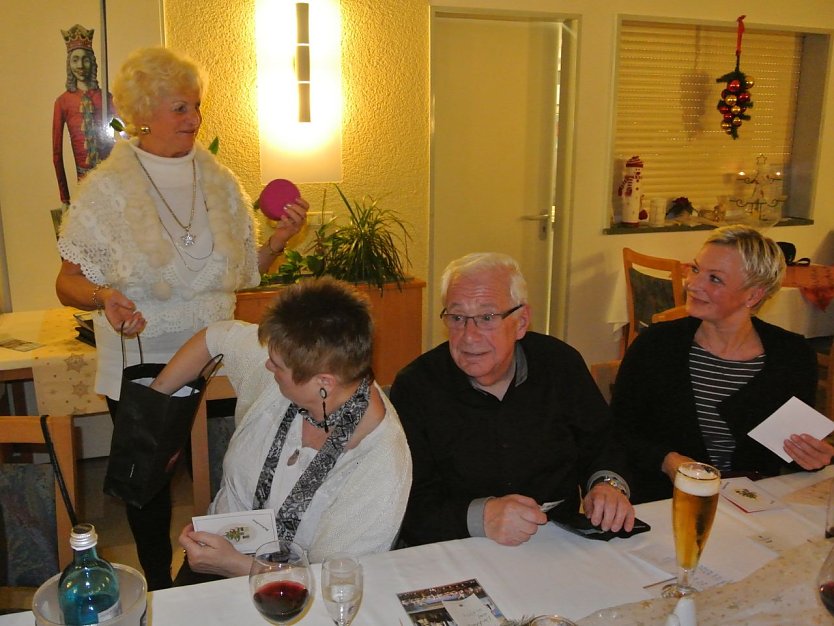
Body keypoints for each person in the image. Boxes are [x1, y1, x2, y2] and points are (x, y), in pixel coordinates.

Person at [55, 46, 309, 589]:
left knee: (226, 469)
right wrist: (104, 297)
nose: (193, 119)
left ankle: (211, 575)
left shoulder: (221, 182)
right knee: (150, 483)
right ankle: (158, 587)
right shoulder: (107, 189)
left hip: (218, 355)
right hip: (144, 358)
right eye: (179, 108)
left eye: (196, 107)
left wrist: (280, 241)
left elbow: (242, 274)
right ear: (145, 111)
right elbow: (67, 281)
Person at [147, 277, 412, 583]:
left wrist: (235, 566)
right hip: (215, 556)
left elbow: (334, 582)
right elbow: (217, 336)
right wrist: (155, 405)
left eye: (277, 366)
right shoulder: (304, 365)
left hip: (295, 598)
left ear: (323, 383)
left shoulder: (381, 466)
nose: (268, 367)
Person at [390, 252, 634, 547]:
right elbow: (407, 505)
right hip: (459, 547)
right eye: (457, 318)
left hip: (555, 543)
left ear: (521, 322)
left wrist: (607, 485)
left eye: (487, 317)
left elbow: (603, 442)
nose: (469, 336)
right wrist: (481, 516)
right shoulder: (416, 388)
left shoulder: (560, 364)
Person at [612, 225, 834, 504]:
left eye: (714, 279)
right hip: (665, 503)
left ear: (753, 295)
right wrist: (667, 460)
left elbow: (786, 451)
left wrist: (812, 456)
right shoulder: (657, 346)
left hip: (753, 504)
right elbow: (616, 433)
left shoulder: (791, 356)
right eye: (695, 269)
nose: (693, 284)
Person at [52, 24, 116, 205]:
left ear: (92, 62)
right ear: (69, 64)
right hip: (83, 186)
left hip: (111, 180)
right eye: (75, 60)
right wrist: (65, 198)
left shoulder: (106, 98)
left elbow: (124, 133)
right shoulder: (62, 102)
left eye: (85, 59)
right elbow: (56, 154)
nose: (80, 65)